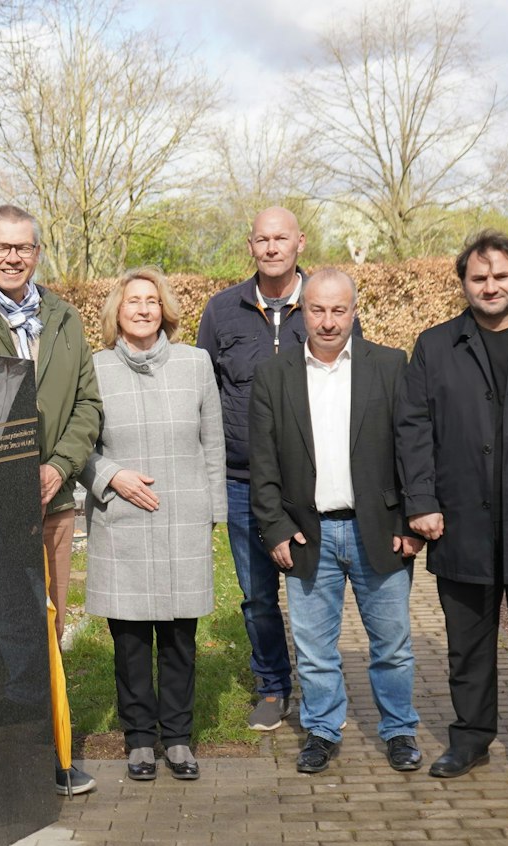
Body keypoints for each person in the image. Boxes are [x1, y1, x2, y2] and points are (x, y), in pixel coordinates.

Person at [398, 232, 508, 785]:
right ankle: (470, 739)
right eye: (478, 277)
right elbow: (413, 428)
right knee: (467, 649)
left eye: (500, 276)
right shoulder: (435, 345)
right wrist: (420, 502)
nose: (490, 286)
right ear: (464, 283)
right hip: (461, 522)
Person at [249, 269, 423, 775]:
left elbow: (413, 450)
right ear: (302, 311)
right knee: (315, 648)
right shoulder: (274, 373)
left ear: (354, 310)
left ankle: (399, 730)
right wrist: (275, 529)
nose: (328, 321)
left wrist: (411, 522)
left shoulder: (390, 365)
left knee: (391, 645)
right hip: (309, 534)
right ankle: (322, 730)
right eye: (318, 310)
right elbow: (263, 464)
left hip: (380, 530)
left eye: (338, 310)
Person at [0, 203, 104, 796]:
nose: (12, 258)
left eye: (23, 248)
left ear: (37, 252)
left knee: (48, 626)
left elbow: (87, 405)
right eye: (1, 248)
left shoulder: (63, 317)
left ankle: (55, 751)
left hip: (52, 501)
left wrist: (57, 467)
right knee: (0, 632)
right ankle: (5, 760)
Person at [79, 267, 227, 782]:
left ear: (165, 309)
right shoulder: (92, 368)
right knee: (132, 640)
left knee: (181, 636)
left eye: (151, 300)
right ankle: (140, 739)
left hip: (183, 516)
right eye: (131, 301)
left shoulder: (195, 363)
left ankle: (179, 739)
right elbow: (79, 445)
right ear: (115, 312)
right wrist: (110, 476)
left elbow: (213, 442)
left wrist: (212, 511)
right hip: (122, 519)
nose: (142, 309)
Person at [197, 207, 312, 735]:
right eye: (262, 239)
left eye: (280, 238)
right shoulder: (222, 311)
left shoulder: (325, 305)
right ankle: (272, 686)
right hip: (241, 481)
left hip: (311, 482)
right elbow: (203, 393)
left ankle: (319, 687)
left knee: (315, 590)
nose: (271, 248)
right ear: (251, 246)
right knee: (258, 595)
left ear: (299, 244)